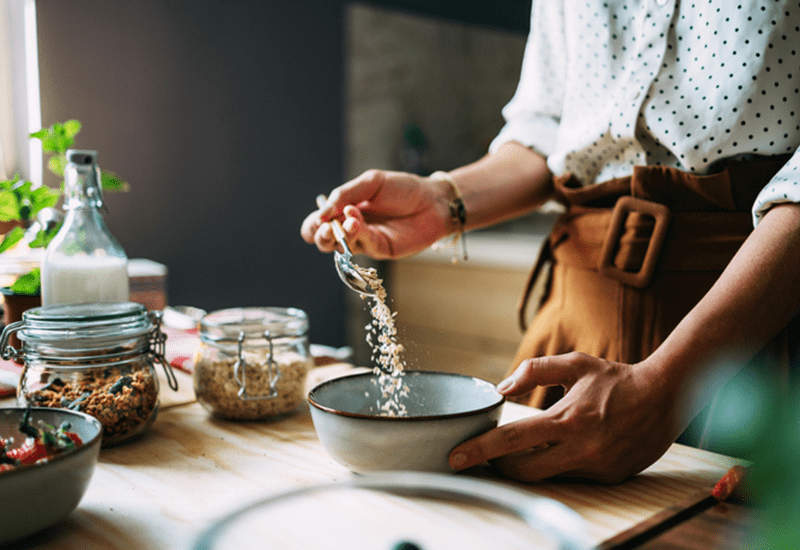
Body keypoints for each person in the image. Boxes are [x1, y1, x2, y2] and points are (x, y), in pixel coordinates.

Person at [301, 1, 800, 483]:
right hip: (576, 319)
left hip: (753, 337)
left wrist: (668, 385)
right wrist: (443, 199)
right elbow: (544, 131)